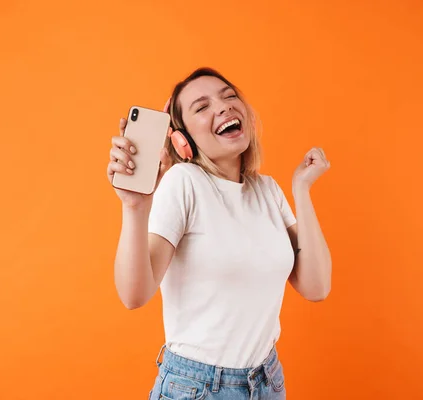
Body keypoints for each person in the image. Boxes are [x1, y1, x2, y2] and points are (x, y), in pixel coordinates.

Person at [106, 67, 332, 399]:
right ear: (182, 139)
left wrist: (302, 189)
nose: (223, 107)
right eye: (202, 107)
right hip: (198, 388)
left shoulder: (267, 190)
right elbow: (133, 295)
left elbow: (317, 286)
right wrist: (134, 207)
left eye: (229, 96)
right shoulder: (184, 183)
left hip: (267, 381)